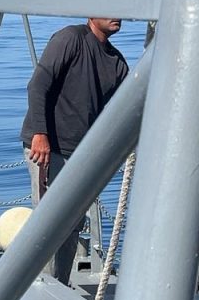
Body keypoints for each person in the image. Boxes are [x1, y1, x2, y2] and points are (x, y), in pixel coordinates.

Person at [20, 18, 129, 284]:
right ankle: (43, 286)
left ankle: (60, 283)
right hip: (48, 148)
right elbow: (38, 85)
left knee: (72, 224)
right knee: (49, 222)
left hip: (81, 156)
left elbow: (124, 111)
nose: (116, 15)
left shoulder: (117, 63)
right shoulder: (70, 39)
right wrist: (40, 133)